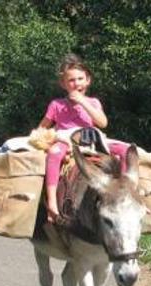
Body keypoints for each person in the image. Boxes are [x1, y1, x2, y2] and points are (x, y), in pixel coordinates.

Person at [36, 53, 130, 223]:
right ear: (63, 84)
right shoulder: (57, 105)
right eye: (71, 80)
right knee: (55, 153)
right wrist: (43, 137)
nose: (76, 83)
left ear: (88, 81)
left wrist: (82, 102)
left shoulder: (93, 102)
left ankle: (125, 191)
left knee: (126, 151)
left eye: (80, 79)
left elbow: (102, 123)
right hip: (68, 139)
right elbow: (43, 126)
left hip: (92, 139)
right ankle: (51, 201)